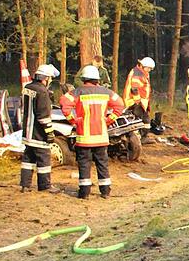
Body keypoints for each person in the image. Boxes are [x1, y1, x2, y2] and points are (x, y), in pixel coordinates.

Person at [61, 65, 124, 199]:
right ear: (97, 79)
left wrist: (74, 120)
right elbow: (120, 104)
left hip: (85, 138)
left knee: (84, 164)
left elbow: (64, 103)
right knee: (102, 164)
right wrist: (108, 120)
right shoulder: (106, 92)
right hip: (101, 137)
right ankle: (105, 191)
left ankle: (84, 193)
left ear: (83, 78)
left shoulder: (78, 92)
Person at [20, 64, 60, 194]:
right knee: (44, 158)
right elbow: (43, 116)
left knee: (28, 158)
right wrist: (49, 133)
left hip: (27, 132)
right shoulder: (42, 92)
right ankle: (45, 185)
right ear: (46, 78)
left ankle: (25, 185)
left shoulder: (28, 88)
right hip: (38, 133)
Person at [123, 57, 154, 124]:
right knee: (139, 122)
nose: (149, 70)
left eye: (150, 69)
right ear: (142, 65)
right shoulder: (137, 74)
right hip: (134, 102)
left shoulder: (141, 72)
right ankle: (138, 133)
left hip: (141, 102)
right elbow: (134, 89)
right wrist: (138, 102)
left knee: (145, 122)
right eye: (148, 68)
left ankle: (143, 132)